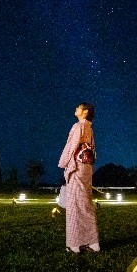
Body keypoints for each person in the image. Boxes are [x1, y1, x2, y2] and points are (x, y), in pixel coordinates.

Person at [58, 102, 100, 253]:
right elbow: (92, 149)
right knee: (86, 204)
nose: (75, 109)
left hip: (77, 167)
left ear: (85, 111)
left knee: (74, 205)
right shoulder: (89, 127)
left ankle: (74, 245)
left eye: (78, 107)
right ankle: (93, 243)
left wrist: (63, 163)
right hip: (86, 167)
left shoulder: (78, 126)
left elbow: (71, 146)